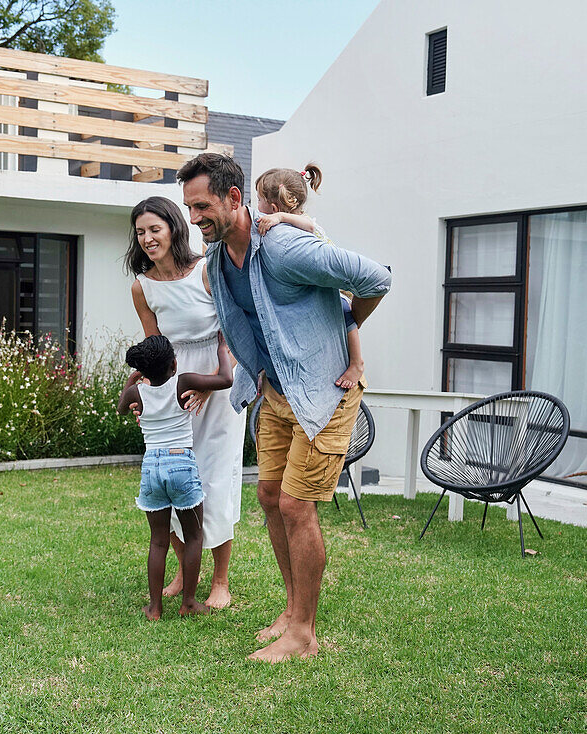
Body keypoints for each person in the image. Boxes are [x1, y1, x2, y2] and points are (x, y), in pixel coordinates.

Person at [177, 153, 391, 663]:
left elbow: (376, 278)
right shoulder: (215, 260)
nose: (194, 218)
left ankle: (304, 634)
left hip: (323, 393)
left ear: (234, 198)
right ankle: (293, 610)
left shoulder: (285, 248)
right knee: (271, 497)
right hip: (273, 392)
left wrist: (344, 328)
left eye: (202, 206)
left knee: (297, 506)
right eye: (189, 208)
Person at [125, 196, 246, 609]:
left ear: (174, 228)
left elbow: (230, 330)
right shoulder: (142, 287)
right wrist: (139, 391)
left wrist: (212, 384)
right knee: (174, 476)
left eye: (154, 229)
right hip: (173, 390)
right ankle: (182, 572)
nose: (147, 239)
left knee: (214, 478)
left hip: (215, 379)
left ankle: (221, 581)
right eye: (140, 232)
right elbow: (153, 344)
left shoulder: (207, 270)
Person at [118, 333, 234, 620]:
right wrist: (222, 347)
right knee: (194, 536)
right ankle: (189, 602)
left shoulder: (138, 394)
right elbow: (225, 380)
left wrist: (133, 381)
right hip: (181, 463)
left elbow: (121, 407)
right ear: (174, 363)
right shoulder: (182, 382)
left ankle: (155, 608)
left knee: (158, 540)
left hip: (151, 468)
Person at [254, 164, 364, 390]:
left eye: (258, 200)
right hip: (311, 283)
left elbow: (309, 225)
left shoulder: (301, 221)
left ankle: (357, 363)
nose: (256, 206)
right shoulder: (278, 226)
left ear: (274, 207)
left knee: (344, 313)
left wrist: (280, 218)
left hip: (332, 283)